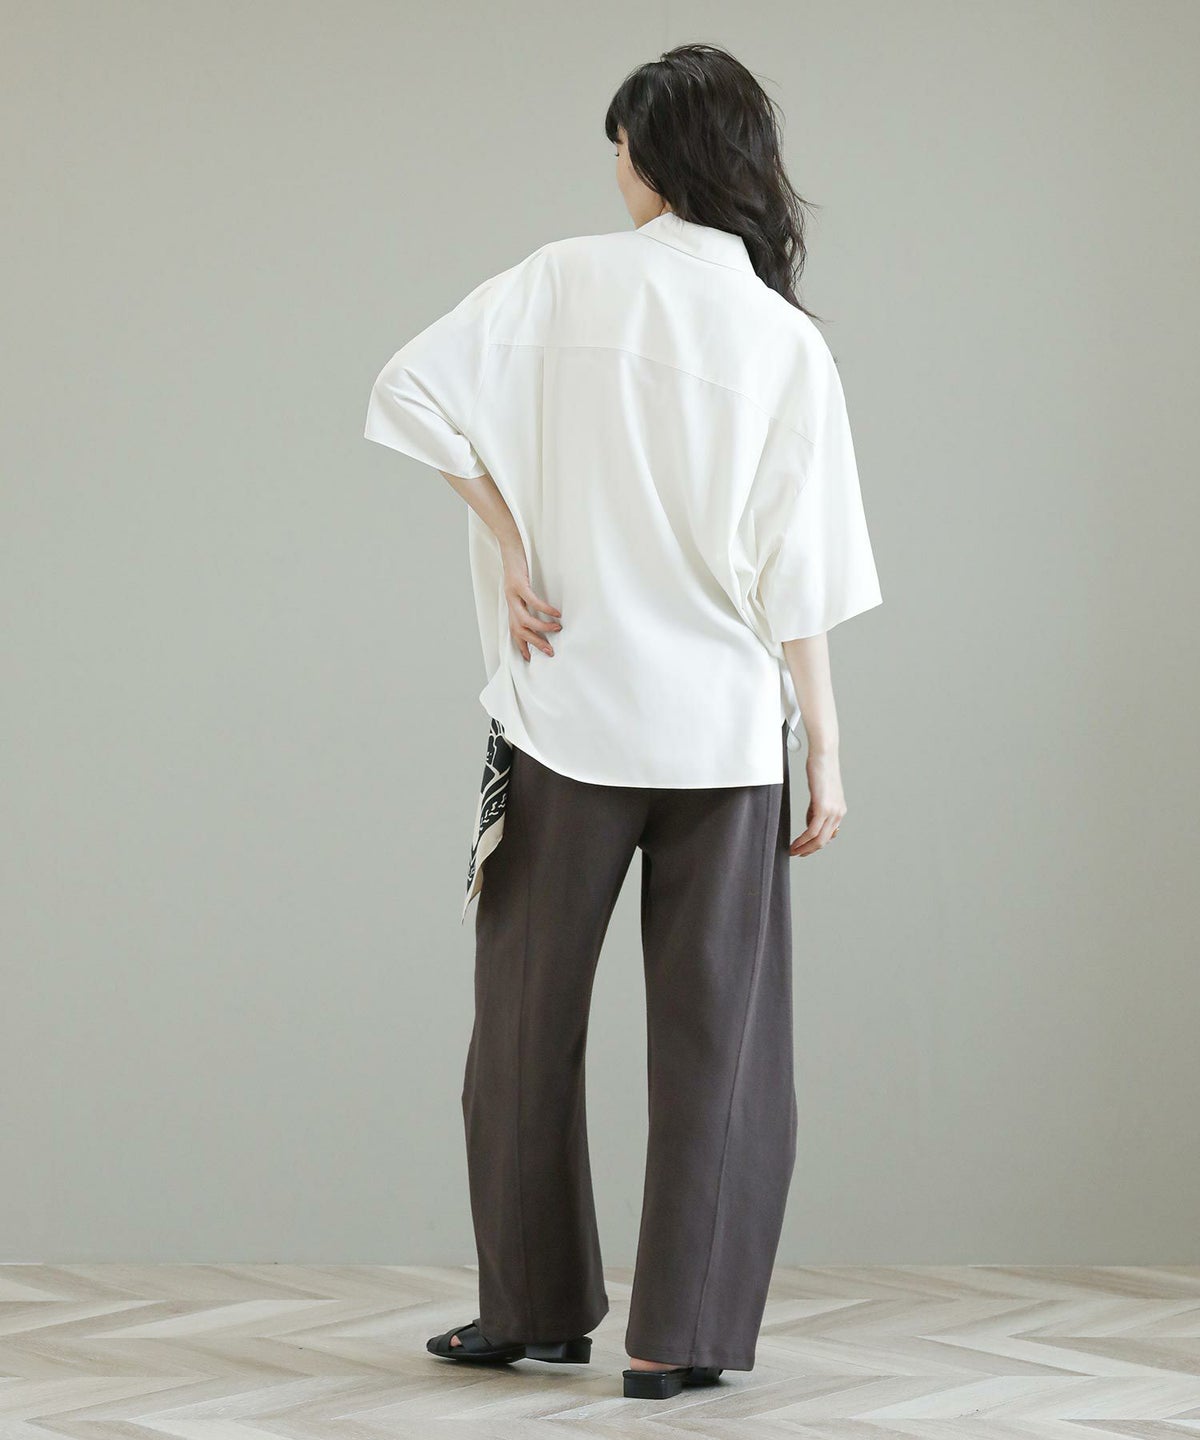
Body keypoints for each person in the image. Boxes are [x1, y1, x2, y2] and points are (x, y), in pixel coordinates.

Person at [363, 42, 883, 1400]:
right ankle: (679, 1337)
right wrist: (826, 750)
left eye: (619, 149)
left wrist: (514, 540)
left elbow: (409, 388)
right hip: (724, 732)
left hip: (564, 713)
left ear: (649, 158)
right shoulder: (783, 340)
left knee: (523, 1023)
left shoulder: (559, 280)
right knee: (725, 1043)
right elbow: (802, 572)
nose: (614, 172)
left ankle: (532, 1310)